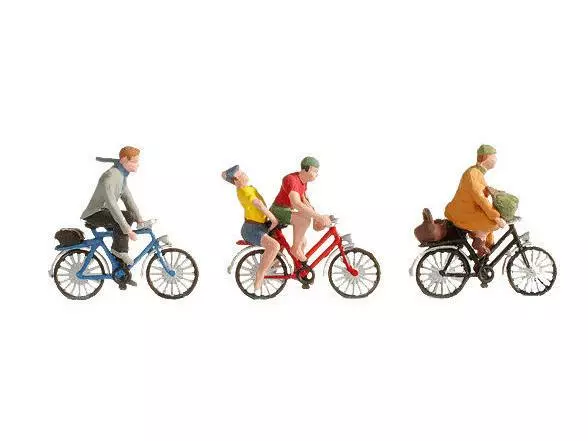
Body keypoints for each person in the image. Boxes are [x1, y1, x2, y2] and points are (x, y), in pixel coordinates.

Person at [222, 165, 280, 297]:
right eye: (241, 174)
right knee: (274, 246)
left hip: (261, 225)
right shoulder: (243, 191)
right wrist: (273, 219)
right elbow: (258, 204)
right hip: (252, 229)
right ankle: (260, 275)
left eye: (242, 172)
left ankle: (272, 268)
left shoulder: (250, 188)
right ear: (236, 180)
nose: (244, 174)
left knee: (280, 243)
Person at [81, 146, 144, 266]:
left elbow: (128, 198)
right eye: (134, 161)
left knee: (125, 223)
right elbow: (112, 205)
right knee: (127, 217)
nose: (138, 164)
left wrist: (140, 219)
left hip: (105, 211)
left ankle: (120, 267)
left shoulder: (121, 175)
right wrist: (128, 230)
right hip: (95, 213)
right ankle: (119, 251)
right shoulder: (111, 176)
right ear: (124, 160)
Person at [445, 144, 507, 256]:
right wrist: (496, 216)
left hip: (468, 210)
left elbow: (480, 191)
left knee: (489, 231)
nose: (496, 159)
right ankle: (479, 240)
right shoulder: (473, 173)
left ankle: (481, 259)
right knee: (494, 223)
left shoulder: (476, 172)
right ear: (485, 157)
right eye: (493, 156)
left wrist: (493, 192)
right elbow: (479, 197)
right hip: (464, 212)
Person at [269, 157, 331, 263]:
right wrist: (318, 217)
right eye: (315, 171)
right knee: (304, 220)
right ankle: (295, 249)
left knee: (303, 242)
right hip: (278, 210)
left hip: (287, 210)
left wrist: (316, 216)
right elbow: (296, 203)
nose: (317, 174)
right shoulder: (291, 179)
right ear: (307, 169)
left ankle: (298, 268)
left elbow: (304, 200)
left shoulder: (303, 182)